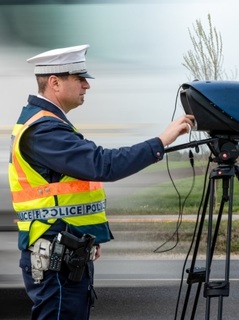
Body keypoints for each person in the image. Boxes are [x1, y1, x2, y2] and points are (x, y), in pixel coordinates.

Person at [8, 44, 194, 320]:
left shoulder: (47, 123)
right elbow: (103, 164)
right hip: (55, 260)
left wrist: (86, 236)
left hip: (65, 252)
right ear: (55, 82)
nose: (87, 85)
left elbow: (64, 194)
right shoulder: (44, 130)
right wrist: (161, 141)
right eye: (79, 78)